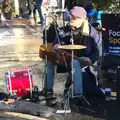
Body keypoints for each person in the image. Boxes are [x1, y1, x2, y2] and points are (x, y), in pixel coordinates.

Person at [42, 6, 100, 106]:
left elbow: (98, 51)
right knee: (49, 61)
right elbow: (58, 39)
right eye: (71, 16)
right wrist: (56, 44)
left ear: (82, 19)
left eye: (74, 18)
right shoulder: (68, 28)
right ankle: (48, 91)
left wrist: (90, 59)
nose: (71, 19)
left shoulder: (92, 33)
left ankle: (77, 94)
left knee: (75, 63)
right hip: (66, 57)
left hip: (83, 60)